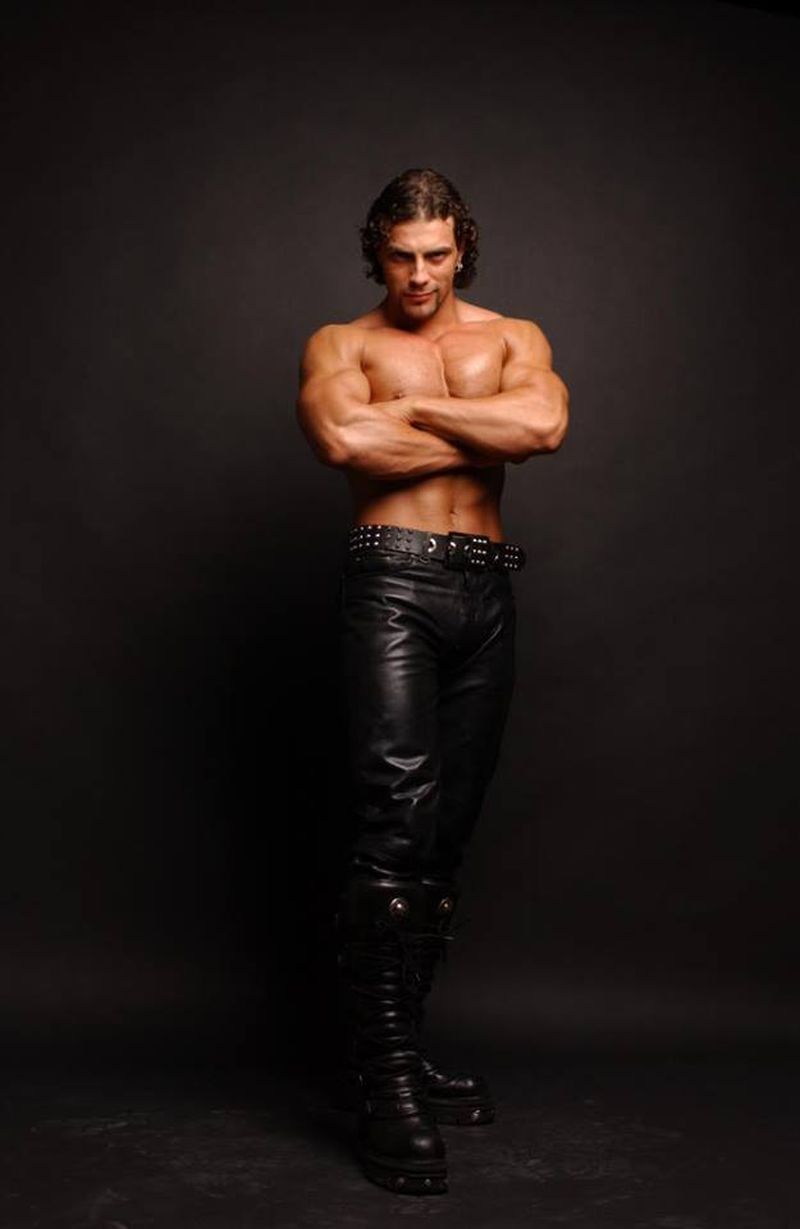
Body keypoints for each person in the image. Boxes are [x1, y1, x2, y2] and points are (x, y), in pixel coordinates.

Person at [296, 168, 568, 1195]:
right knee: (396, 822)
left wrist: (410, 412)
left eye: (437, 255)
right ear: (378, 251)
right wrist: (473, 418)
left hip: (487, 591)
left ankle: (401, 1051)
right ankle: (385, 1083)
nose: (419, 274)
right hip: (391, 584)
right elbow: (342, 438)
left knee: (446, 832)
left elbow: (541, 429)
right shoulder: (341, 344)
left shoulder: (516, 335)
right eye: (402, 255)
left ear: (463, 250)